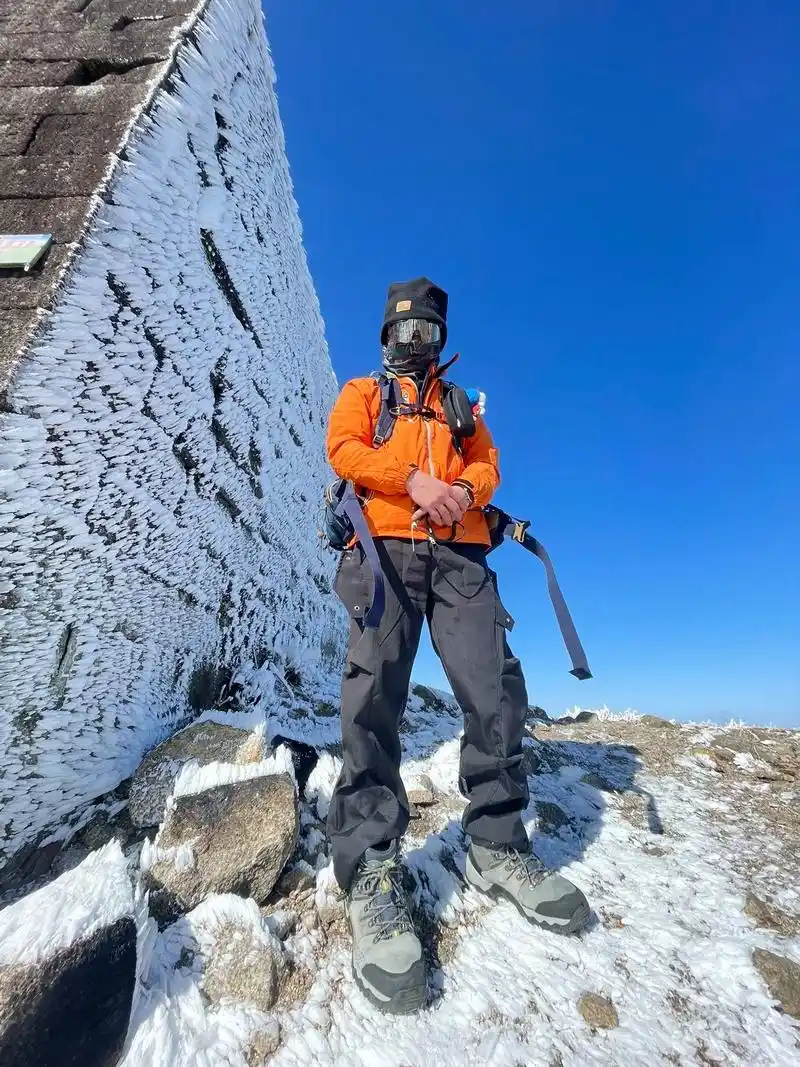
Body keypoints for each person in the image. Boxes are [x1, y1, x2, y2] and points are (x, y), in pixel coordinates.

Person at [325, 277, 589, 1015]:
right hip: (384, 554)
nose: (416, 345)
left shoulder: (462, 406)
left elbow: (488, 464)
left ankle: (496, 841)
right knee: (372, 697)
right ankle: (372, 869)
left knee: (494, 688)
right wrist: (411, 478)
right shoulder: (363, 395)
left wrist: (464, 495)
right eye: (405, 333)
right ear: (386, 337)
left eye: (428, 334)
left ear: (441, 338)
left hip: (463, 557)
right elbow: (342, 449)